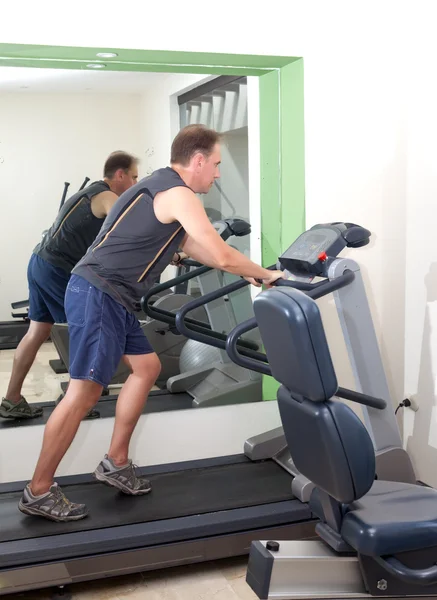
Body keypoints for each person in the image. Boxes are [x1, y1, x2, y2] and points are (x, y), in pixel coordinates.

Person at [19, 124, 286, 522]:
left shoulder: (160, 187)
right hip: (99, 292)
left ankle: (116, 461)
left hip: (112, 293)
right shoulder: (178, 193)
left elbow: (193, 246)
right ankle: (38, 490)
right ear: (196, 160)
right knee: (84, 393)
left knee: (147, 367)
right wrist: (268, 275)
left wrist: (249, 270)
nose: (216, 173)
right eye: (214, 164)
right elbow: (220, 252)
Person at [0, 152, 139, 420]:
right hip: (57, 268)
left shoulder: (89, 193)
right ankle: (74, 401)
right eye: (133, 177)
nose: (135, 182)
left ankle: (12, 399)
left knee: (37, 331)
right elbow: (125, 229)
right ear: (119, 174)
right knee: (84, 329)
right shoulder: (107, 196)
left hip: (39, 260)